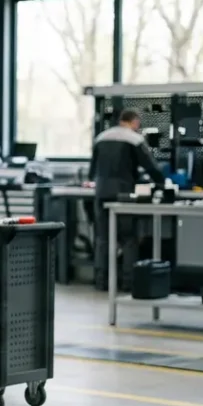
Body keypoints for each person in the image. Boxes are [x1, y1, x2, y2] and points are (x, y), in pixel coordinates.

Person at [87, 108, 166, 291]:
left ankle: (101, 281)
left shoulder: (101, 138)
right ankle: (129, 282)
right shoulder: (134, 139)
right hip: (123, 194)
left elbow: (92, 171)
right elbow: (151, 167)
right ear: (135, 122)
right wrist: (163, 184)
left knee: (103, 238)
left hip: (101, 192)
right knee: (129, 238)